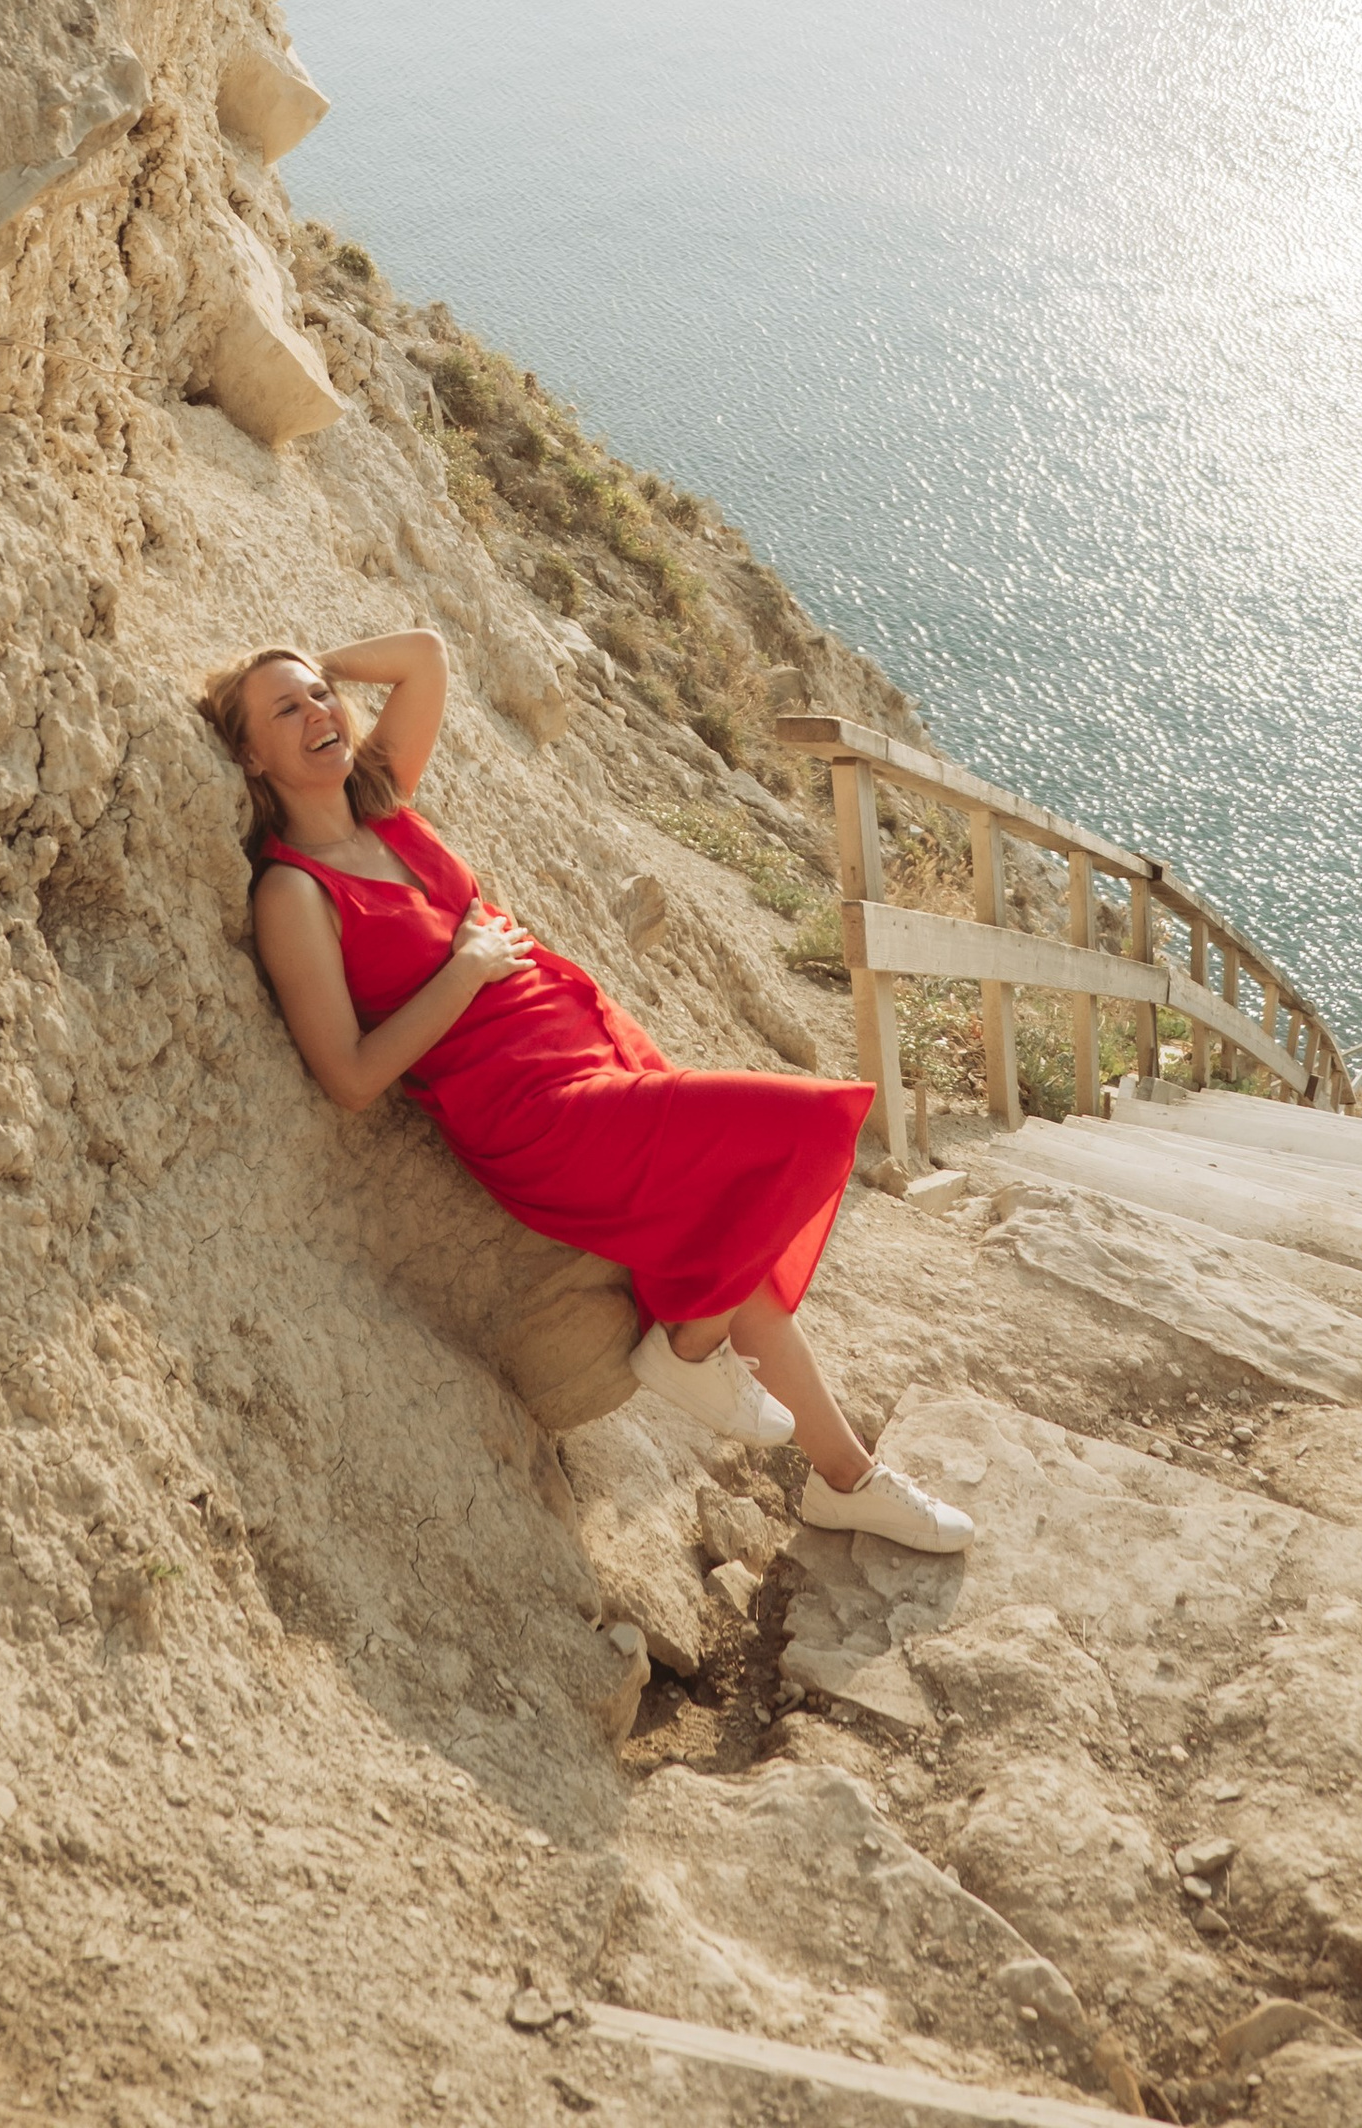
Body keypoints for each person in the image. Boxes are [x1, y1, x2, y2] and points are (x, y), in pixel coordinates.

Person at [201, 625, 973, 1554]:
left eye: (321, 697)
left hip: (598, 1048)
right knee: (811, 1125)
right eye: (284, 712)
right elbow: (352, 1077)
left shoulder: (383, 804)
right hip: (536, 1116)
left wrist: (313, 669)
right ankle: (688, 1347)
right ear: (250, 756)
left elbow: (427, 655)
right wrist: (466, 969)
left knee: (745, 1263)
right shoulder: (294, 895)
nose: (317, 714)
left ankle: (848, 1482)